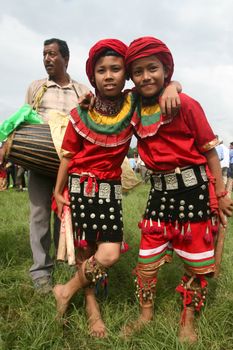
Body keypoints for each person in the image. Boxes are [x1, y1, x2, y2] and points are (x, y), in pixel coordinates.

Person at [53, 38, 181, 338]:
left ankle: (64, 290)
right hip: (80, 188)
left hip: (110, 191)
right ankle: (92, 308)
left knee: (108, 254)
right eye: (101, 70)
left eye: (115, 69)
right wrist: (59, 192)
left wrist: (174, 86)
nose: (108, 76)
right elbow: (68, 155)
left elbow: (160, 83)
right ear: (92, 75)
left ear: (126, 74)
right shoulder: (81, 111)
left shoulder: (133, 101)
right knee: (86, 253)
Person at [121, 36, 233, 343]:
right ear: (131, 76)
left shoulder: (186, 104)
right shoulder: (132, 108)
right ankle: (145, 315)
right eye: (138, 71)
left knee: (197, 266)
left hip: (193, 194)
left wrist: (221, 195)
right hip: (158, 197)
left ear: (166, 69)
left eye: (153, 68)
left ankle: (188, 321)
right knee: (146, 262)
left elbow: (210, 153)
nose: (146, 76)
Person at [26, 38, 89, 293]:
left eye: (52, 54)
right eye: (44, 54)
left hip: (70, 167)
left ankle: (67, 261)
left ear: (66, 58)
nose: (47, 59)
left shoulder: (81, 91)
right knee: (39, 214)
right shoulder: (36, 88)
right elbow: (26, 119)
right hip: (40, 163)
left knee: (65, 214)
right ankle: (41, 271)